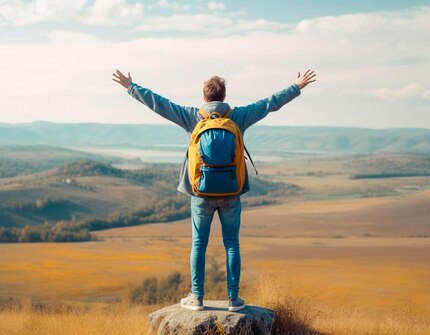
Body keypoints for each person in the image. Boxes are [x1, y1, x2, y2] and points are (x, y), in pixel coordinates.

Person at [112, 69, 316, 312]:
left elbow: (160, 104)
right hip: (231, 192)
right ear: (224, 95)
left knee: (199, 244)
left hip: (200, 194)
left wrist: (131, 87)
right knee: (232, 244)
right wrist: (296, 87)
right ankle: (234, 300)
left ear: (205, 96)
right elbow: (269, 104)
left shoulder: (192, 116)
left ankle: (196, 298)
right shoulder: (238, 116)